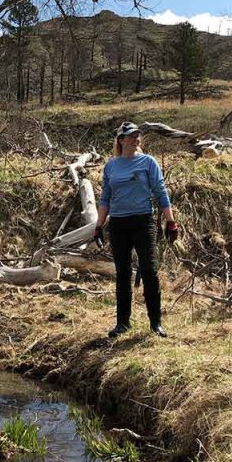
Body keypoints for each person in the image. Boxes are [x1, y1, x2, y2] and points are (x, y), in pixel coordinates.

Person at [94, 122, 180, 338]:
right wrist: (98, 225)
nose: (136, 139)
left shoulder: (148, 162)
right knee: (122, 273)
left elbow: (161, 192)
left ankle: (156, 323)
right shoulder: (111, 166)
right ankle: (122, 323)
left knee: (149, 271)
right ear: (121, 140)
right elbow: (105, 198)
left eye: (137, 135)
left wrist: (171, 222)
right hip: (119, 225)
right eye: (131, 136)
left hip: (143, 222)